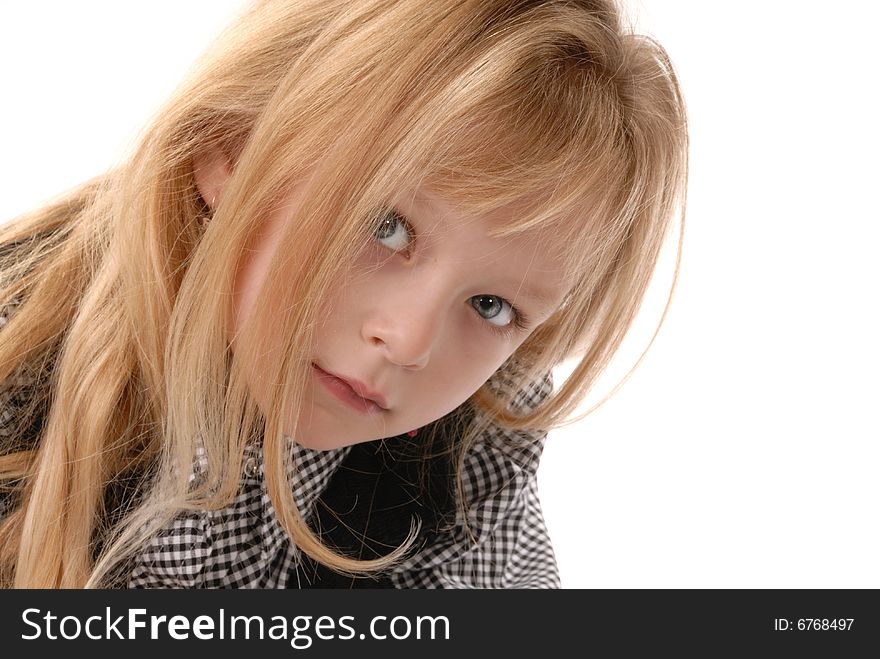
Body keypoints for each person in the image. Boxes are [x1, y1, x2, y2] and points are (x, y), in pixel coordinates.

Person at [0, 0, 687, 588]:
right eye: (385, 227)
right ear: (230, 147)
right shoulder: (20, 375)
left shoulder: (474, 432)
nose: (411, 340)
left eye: (491, 306)